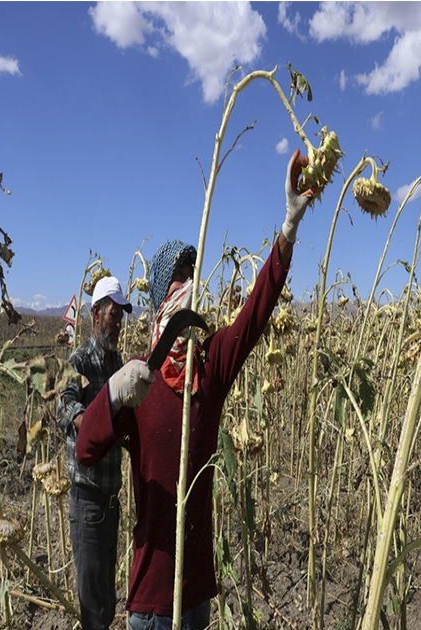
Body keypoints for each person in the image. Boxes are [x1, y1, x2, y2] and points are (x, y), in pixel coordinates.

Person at [76, 149, 318, 630]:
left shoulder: (210, 369)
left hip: (196, 598)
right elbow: (86, 449)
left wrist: (289, 224)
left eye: (192, 278)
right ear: (161, 300)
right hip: (149, 601)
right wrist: (113, 395)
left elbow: (257, 310)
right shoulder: (137, 382)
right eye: (178, 280)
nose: (187, 287)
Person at [57, 274, 134, 630]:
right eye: (112, 314)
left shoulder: (117, 367)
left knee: (106, 600)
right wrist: (89, 423)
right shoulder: (80, 362)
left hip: (110, 503)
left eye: (121, 315)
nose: (117, 322)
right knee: (92, 608)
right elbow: (63, 404)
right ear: (95, 314)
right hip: (87, 502)